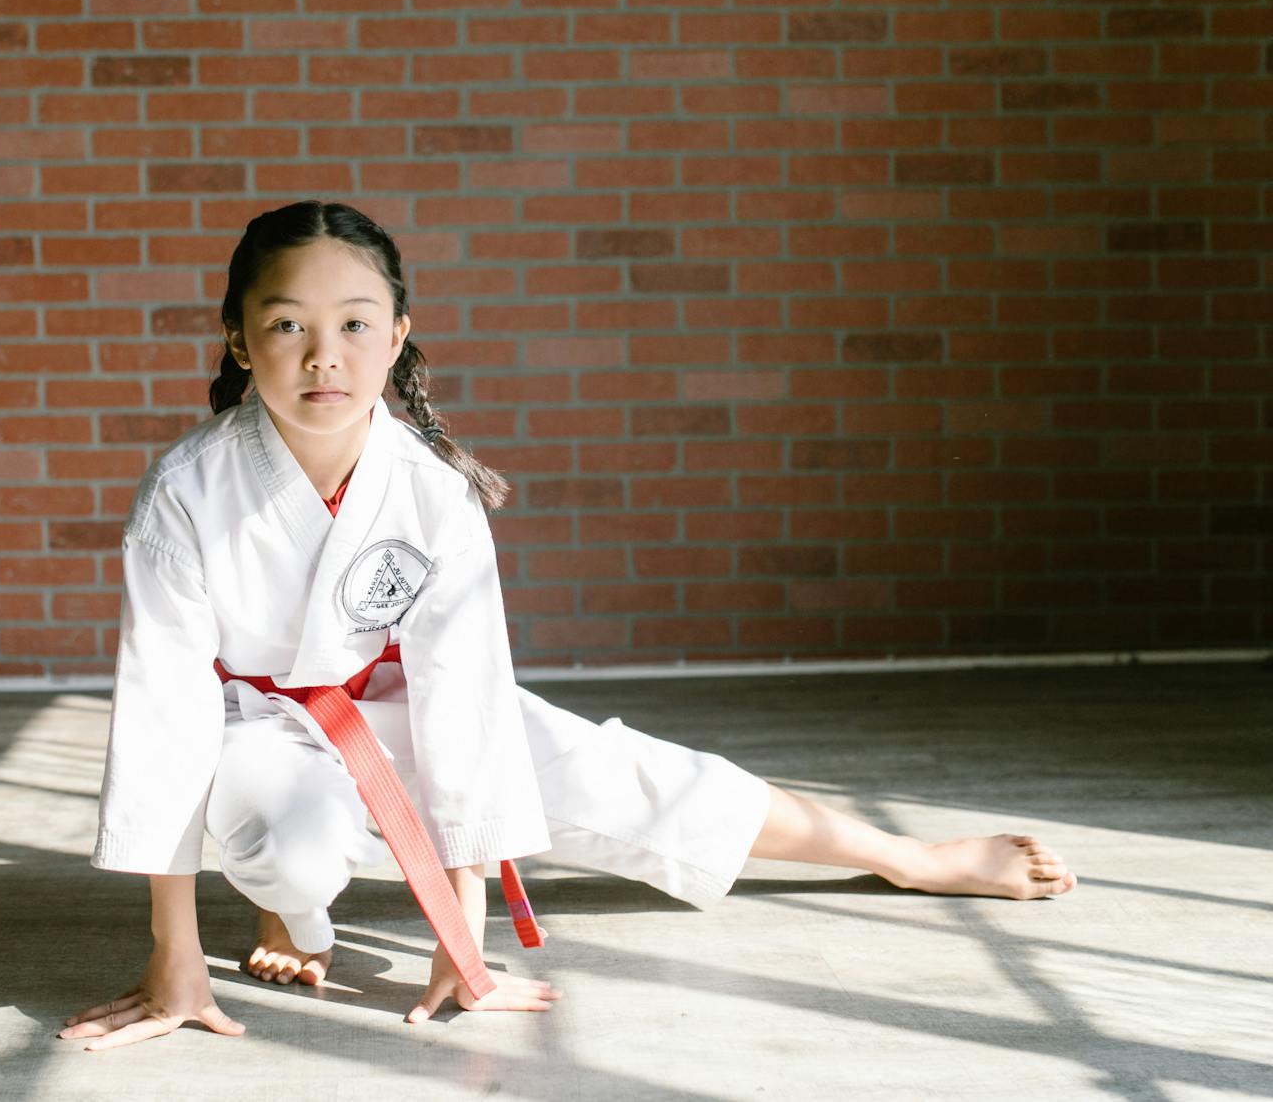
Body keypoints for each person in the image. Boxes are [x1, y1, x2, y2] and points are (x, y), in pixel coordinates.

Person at [58, 200, 1076, 1054]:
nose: (324, 355)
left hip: (392, 699)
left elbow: (463, 699)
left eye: (356, 324)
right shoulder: (188, 488)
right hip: (256, 722)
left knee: (628, 776)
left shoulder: (431, 489)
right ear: (238, 336)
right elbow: (163, 712)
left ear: (398, 336)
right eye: (286, 325)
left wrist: (461, 932)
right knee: (290, 841)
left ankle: (909, 855)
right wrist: (171, 954)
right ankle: (289, 904)